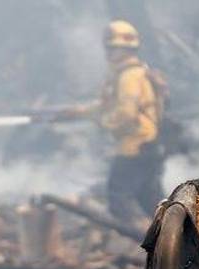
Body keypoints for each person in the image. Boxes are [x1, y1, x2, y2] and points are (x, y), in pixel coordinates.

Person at [69, 20, 166, 226]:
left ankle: (131, 239)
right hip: (148, 145)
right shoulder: (133, 72)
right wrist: (80, 112)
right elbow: (107, 104)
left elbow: (126, 114)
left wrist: (103, 122)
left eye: (114, 48)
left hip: (134, 145)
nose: (111, 53)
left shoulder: (128, 77)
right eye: (110, 48)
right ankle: (184, 241)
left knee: (117, 196)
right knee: (152, 201)